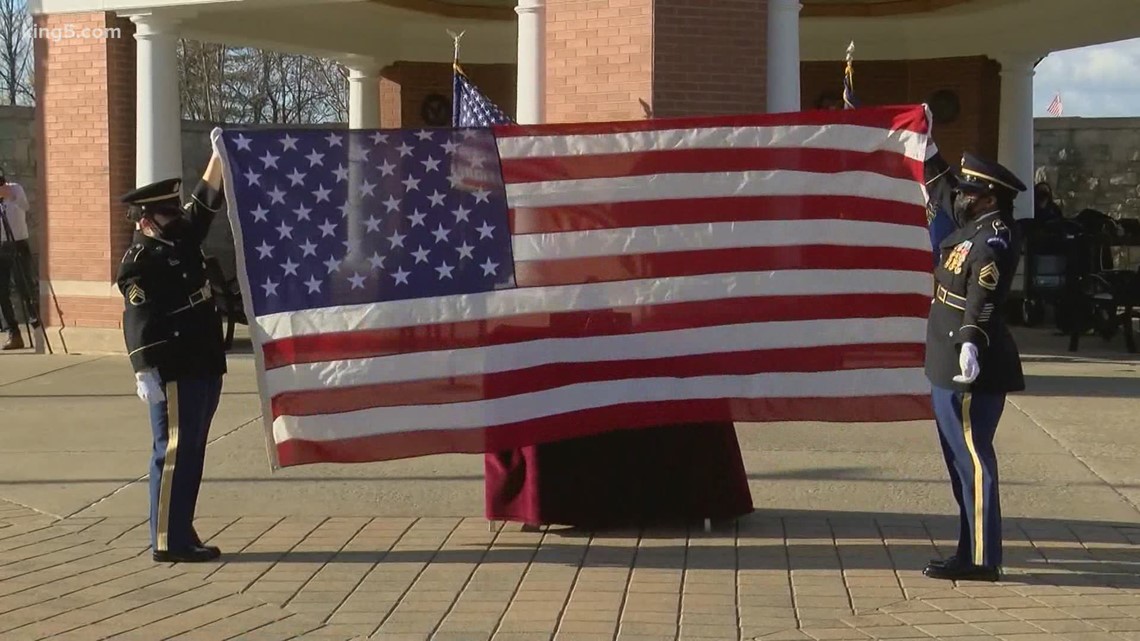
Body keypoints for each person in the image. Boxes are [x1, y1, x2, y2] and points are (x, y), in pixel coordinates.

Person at [116, 152, 227, 563]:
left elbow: (203, 205)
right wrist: (143, 368)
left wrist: (217, 157)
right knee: (175, 450)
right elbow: (137, 316)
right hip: (176, 366)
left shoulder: (177, 236)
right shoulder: (140, 263)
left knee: (193, 450)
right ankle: (166, 539)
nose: (176, 217)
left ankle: (179, 525)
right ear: (146, 220)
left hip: (203, 361)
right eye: (166, 214)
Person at [923, 152, 1026, 582]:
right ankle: (969, 549)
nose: (961, 197)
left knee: (973, 462)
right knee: (959, 463)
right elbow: (942, 187)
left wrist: (969, 340)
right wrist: (921, 143)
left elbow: (983, 295)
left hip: (972, 366)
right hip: (947, 363)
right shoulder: (975, 221)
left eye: (971, 192)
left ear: (989, 200)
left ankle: (983, 559)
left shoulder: (994, 239)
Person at [0, 169, 34, 350]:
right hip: (1, 246)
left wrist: (9, 197)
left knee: (24, 285)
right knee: (1, 292)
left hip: (18, 243)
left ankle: (35, 322)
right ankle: (13, 333)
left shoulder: (15, 189)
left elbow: (25, 206)